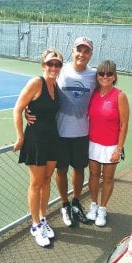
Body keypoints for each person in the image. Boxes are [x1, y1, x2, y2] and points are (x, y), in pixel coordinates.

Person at [26, 37, 97, 227]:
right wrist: (29, 109)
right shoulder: (59, 69)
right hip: (60, 134)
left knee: (80, 170)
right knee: (61, 171)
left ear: (91, 54)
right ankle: (65, 204)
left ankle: (75, 203)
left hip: (82, 132)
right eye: (79, 50)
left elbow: (105, 91)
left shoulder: (94, 75)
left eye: (86, 51)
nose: (82, 54)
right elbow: (40, 91)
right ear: (73, 51)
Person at [13, 48, 63, 247]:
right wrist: (20, 137)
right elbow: (17, 108)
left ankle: (43, 219)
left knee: (47, 180)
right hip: (35, 141)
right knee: (36, 183)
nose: (53, 67)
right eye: (49, 63)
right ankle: (34, 225)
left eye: (57, 64)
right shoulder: (36, 83)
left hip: (52, 139)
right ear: (43, 65)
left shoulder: (55, 85)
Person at [86, 60, 130, 227]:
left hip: (112, 146)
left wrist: (118, 149)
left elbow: (124, 125)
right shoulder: (94, 93)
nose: (105, 77)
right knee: (94, 175)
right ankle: (93, 205)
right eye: (101, 73)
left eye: (109, 74)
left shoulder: (120, 96)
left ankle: (103, 209)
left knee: (108, 178)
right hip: (93, 143)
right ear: (97, 76)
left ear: (114, 76)